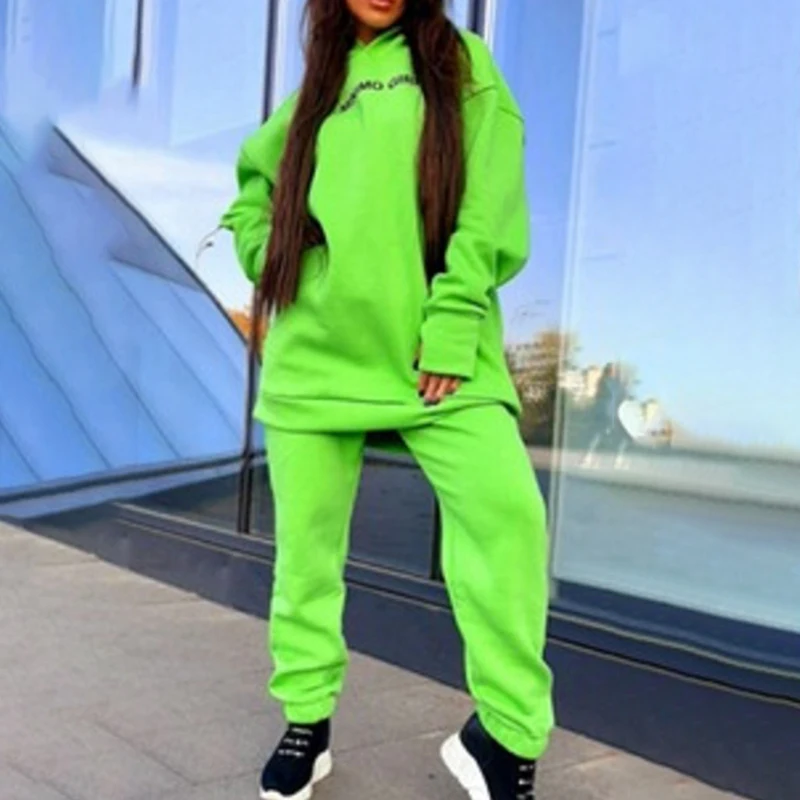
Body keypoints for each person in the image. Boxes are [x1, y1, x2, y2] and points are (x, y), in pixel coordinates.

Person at [221, 1, 552, 798]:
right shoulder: (317, 90)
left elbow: (489, 208)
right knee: (306, 556)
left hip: (436, 361)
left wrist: (453, 325)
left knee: (509, 522)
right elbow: (250, 195)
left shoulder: (460, 65)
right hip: (315, 362)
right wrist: (274, 257)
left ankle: (504, 735)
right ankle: (307, 719)